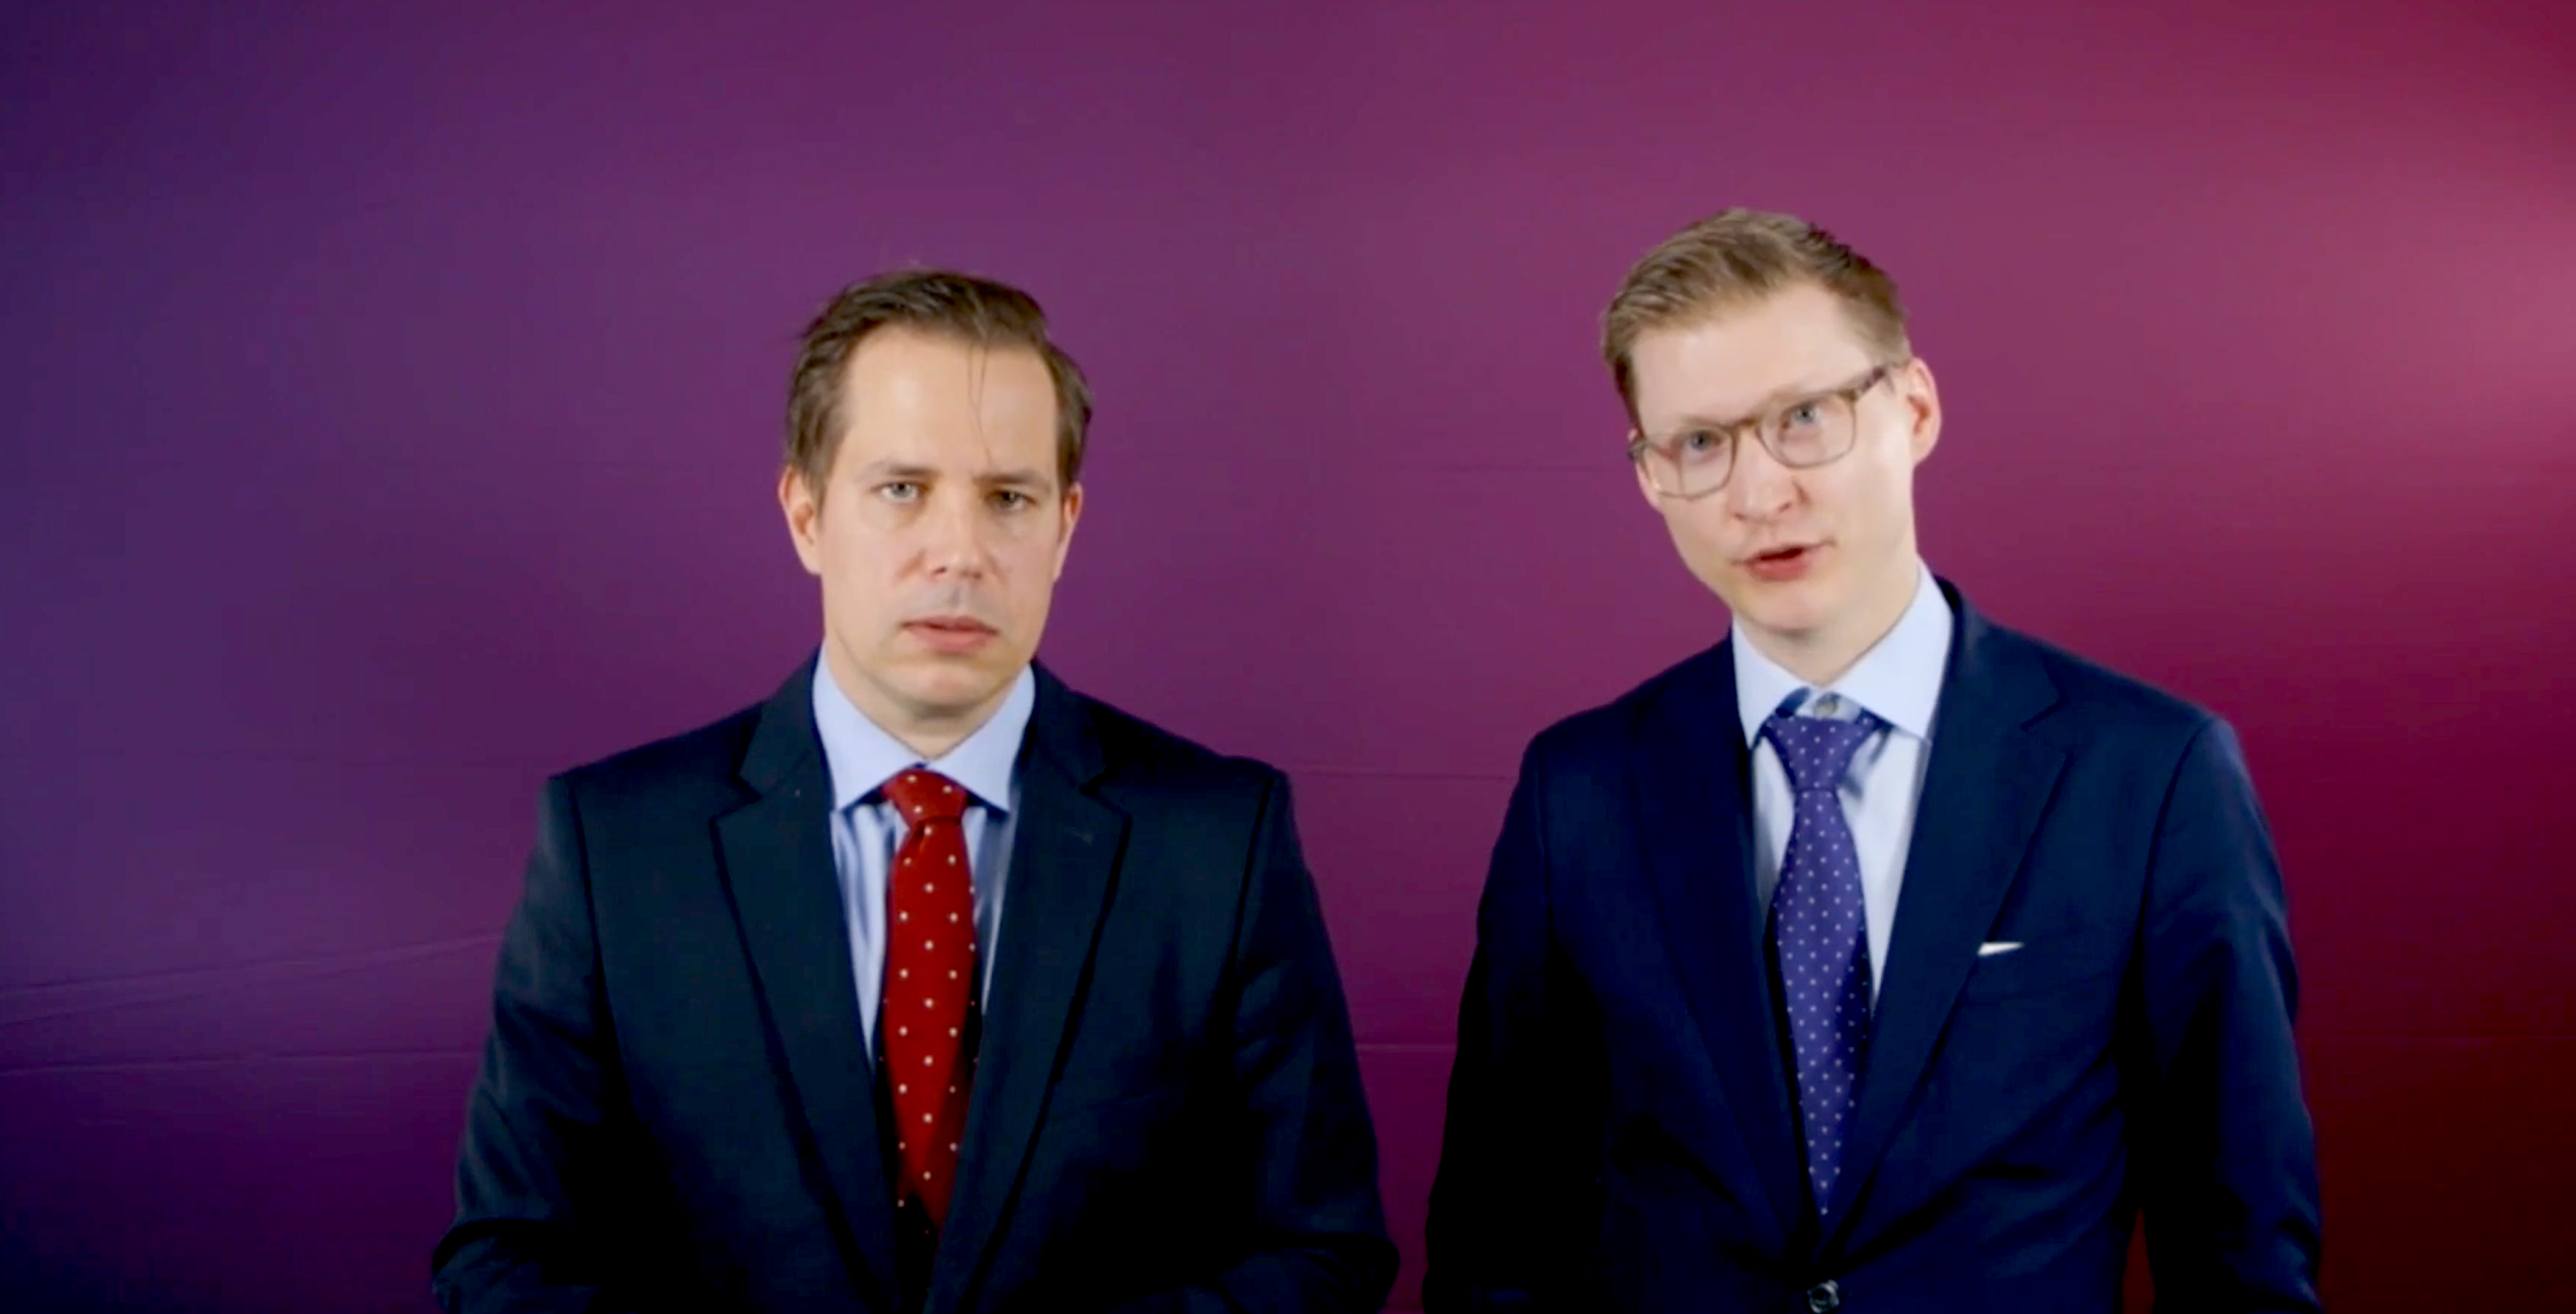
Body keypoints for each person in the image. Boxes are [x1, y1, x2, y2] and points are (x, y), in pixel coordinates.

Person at [432, 268, 1395, 1313]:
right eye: (902, 490)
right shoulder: (614, 846)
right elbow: (506, 1260)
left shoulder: (1221, 843)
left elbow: (1325, 1251)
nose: (960, 554)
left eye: (1009, 499)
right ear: (806, 514)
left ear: (1065, 526)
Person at [1423, 209, 2320, 1312]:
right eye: (1699, 444)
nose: (1760, 494)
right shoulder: (1578, 792)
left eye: (1804, 417)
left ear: (1916, 408)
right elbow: (1499, 1238)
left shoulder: (2151, 773)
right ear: (1649, 474)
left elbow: (2241, 1249)